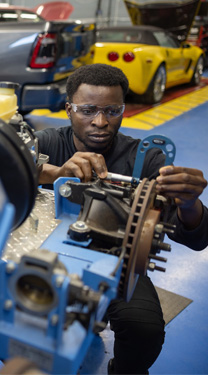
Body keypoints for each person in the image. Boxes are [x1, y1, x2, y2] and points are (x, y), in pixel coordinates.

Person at [35, 63, 208, 374]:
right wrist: (58, 172)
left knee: (145, 331)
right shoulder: (47, 144)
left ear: (124, 110)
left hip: (119, 259)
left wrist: (190, 202)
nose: (100, 122)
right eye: (87, 110)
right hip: (44, 248)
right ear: (68, 110)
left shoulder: (146, 158)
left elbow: (196, 237)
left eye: (112, 111)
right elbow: (6, 173)